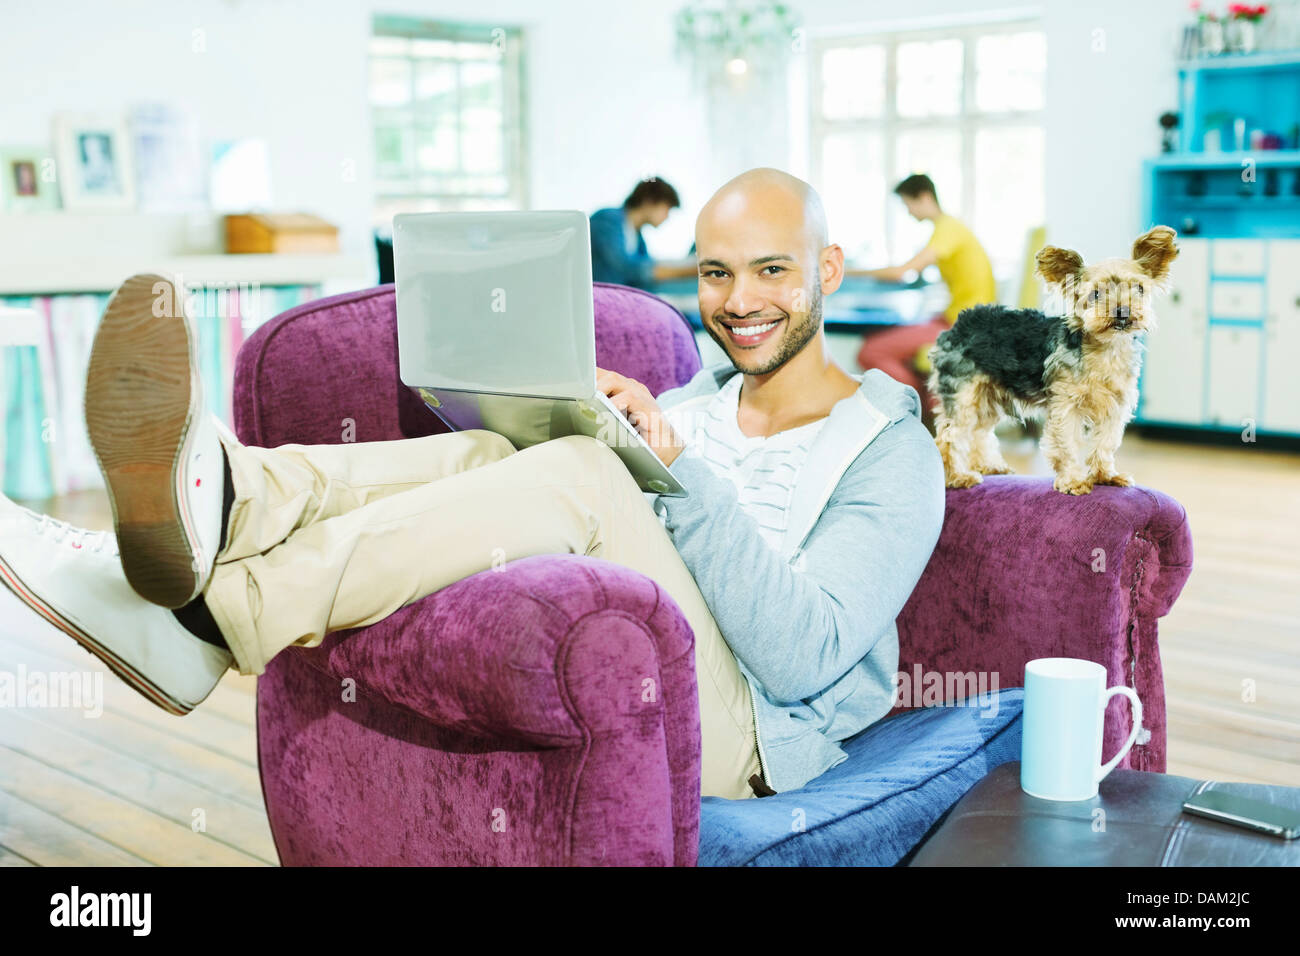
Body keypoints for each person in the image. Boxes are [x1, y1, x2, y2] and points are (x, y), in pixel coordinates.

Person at [0, 168, 944, 801]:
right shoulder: (696, 398)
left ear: (826, 269)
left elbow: (807, 654)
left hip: (753, 739)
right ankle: (230, 493)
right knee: (506, 453)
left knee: (580, 472)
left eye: (771, 271)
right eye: (715, 273)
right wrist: (593, 422)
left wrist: (672, 475)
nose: (739, 302)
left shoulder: (891, 452)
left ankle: (211, 622)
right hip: (654, 651)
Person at [849, 174, 996, 416]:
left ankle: (912, 409)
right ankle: (923, 408)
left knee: (871, 351)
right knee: (897, 345)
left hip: (966, 327)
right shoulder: (949, 227)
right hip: (960, 319)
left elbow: (903, 272)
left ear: (925, 197)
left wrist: (847, 271)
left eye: (908, 204)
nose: (908, 212)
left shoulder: (948, 229)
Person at [589, 177, 696, 288]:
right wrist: (686, 270)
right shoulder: (607, 220)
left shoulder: (638, 237)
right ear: (649, 201)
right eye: (667, 208)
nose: (667, 216)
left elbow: (645, 269)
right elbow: (626, 268)